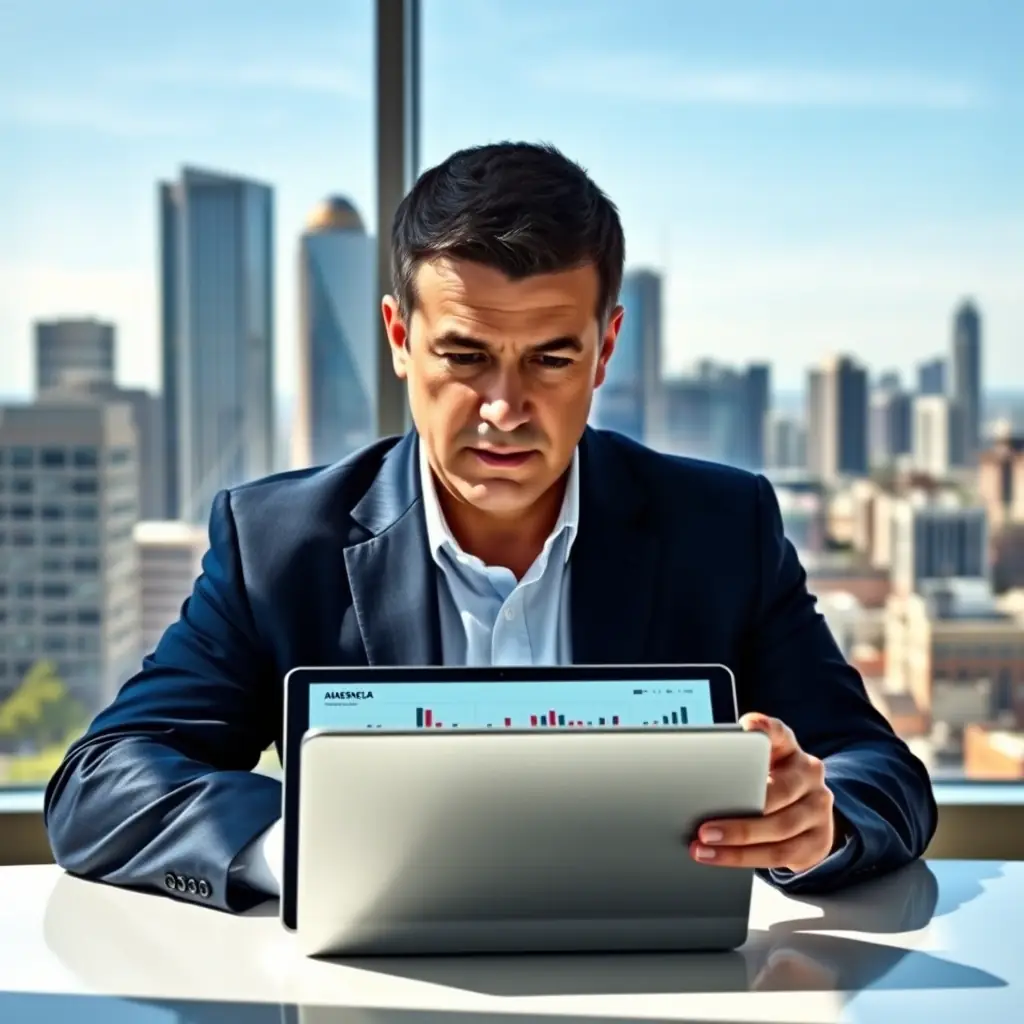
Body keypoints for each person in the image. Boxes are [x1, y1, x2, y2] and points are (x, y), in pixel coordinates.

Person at [44, 142, 937, 912]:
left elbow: (878, 772)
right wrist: (301, 850)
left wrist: (818, 826)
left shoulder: (721, 528)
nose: (505, 410)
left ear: (607, 348)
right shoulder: (279, 544)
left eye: (551, 359)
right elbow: (100, 783)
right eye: (465, 356)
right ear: (400, 337)